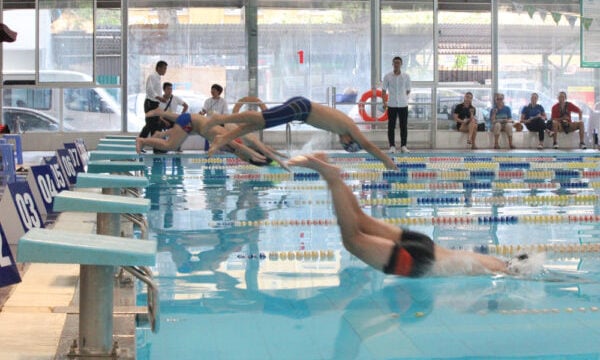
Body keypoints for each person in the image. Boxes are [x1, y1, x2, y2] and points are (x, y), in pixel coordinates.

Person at [287, 152, 530, 277]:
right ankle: (331, 177)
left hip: (426, 245)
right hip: (418, 264)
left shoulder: (497, 261)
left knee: (359, 219)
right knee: (352, 239)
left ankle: (333, 178)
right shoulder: (501, 271)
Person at [204, 96, 398, 170]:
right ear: (351, 140)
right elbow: (369, 146)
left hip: (300, 108)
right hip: (301, 109)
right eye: (346, 144)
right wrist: (386, 160)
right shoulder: (350, 128)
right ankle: (220, 119)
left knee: (257, 124)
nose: (342, 142)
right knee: (259, 119)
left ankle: (225, 137)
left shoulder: (343, 127)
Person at [136, 108, 290, 170]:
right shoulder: (233, 140)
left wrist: (280, 159)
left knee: (174, 135)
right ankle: (142, 140)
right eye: (246, 158)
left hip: (193, 124)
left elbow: (261, 147)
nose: (243, 159)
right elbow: (250, 150)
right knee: (170, 145)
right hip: (190, 123)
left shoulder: (239, 140)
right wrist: (261, 157)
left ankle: (159, 129)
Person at [382, 56, 411, 153]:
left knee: (404, 126)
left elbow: (408, 90)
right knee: (391, 126)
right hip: (392, 105)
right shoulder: (387, 76)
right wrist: (384, 102)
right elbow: (383, 90)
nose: (396, 64)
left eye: (398, 63)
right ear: (392, 64)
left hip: (403, 105)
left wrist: (402, 97)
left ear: (401, 64)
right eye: (395, 63)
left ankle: (403, 146)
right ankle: (392, 146)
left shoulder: (406, 76)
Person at [138, 60, 168, 139]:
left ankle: (156, 147)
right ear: (158, 68)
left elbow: (156, 91)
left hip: (155, 104)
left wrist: (161, 98)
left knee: (155, 125)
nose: (165, 70)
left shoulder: (158, 78)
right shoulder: (152, 76)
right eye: (164, 68)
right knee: (150, 124)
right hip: (150, 103)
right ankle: (140, 142)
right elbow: (149, 90)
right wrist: (159, 98)